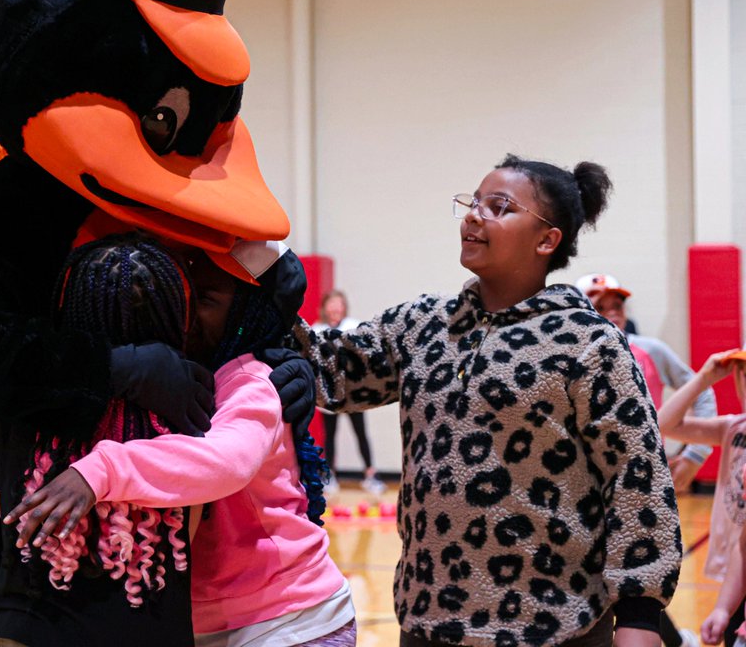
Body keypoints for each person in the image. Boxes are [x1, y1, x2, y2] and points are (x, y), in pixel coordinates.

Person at [294, 155, 682, 647]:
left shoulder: (586, 341)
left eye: (499, 206)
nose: (475, 215)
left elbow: (636, 475)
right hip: (429, 622)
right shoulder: (423, 323)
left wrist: (640, 616)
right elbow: (331, 373)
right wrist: (262, 285)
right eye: (473, 203)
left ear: (546, 240)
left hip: (552, 629)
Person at [8, 245, 355, 647]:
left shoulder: (254, 380)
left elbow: (227, 462)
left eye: (206, 300)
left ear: (248, 314)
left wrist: (98, 471)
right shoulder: (181, 376)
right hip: (214, 618)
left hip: (288, 618)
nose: (189, 313)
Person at [0, 235, 201, 646]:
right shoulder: (187, 408)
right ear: (172, 312)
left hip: (27, 628)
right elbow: (188, 534)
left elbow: (6, 513)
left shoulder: (27, 403)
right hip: (147, 630)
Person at [577, 273, 717, 495]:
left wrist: (695, 455)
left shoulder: (651, 350)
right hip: (583, 480)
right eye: (601, 307)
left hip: (645, 477)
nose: (612, 312)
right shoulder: (569, 358)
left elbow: (702, 393)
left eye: (617, 305)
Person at [656, 349, 746, 647]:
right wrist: (703, 379)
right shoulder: (734, 428)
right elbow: (665, 425)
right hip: (737, 572)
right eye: (744, 375)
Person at [314, 290, 384, 496]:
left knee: (360, 432)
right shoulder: (317, 329)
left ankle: (371, 475)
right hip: (329, 392)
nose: (335, 308)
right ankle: (330, 477)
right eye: (331, 304)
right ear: (325, 307)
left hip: (353, 391)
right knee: (330, 435)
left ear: (344, 307)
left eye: (339, 304)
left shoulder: (353, 326)